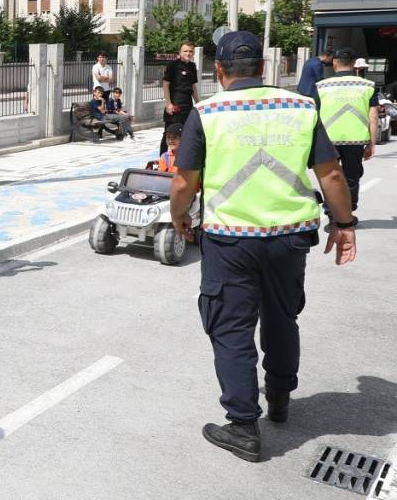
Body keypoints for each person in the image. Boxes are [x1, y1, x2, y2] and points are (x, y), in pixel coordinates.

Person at [169, 30, 357, 463]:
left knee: (231, 327)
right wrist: (344, 224)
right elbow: (330, 175)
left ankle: (242, 426)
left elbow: (184, 181)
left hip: (230, 239)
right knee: (282, 317)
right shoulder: (301, 106)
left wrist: (180, 215)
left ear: (217, 70)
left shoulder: (208, 111)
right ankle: (279, 398)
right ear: (262, 68)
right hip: (289, 237)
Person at [311, 47, 379, 225]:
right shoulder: (368, 86)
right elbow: (373, 116)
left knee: (329, 176)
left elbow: (313, 115)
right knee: (351, 177)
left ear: (334, 63)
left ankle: (332, 215)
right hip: (355, 140)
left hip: (327, 140)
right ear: (353, 64)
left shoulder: (321, 86)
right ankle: (348, 213)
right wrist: (372, 143)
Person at [161, 42, 199, 153]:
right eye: (185, 51)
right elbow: (165, 84)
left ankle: (180, 160)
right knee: (169, 134)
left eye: (190, 51)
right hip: (175, 104)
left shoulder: (192, 66)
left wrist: (198, 103)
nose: (188, 53)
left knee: (185, 134)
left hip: (188, 105)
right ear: (180, 52)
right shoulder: (173, 65)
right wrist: (168, 103)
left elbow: (193, 86)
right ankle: (163, 161)